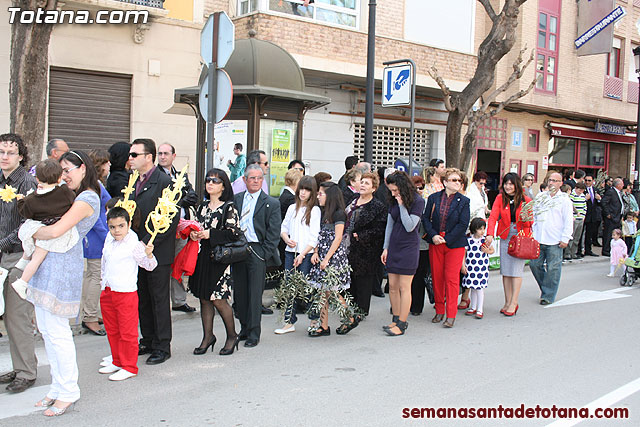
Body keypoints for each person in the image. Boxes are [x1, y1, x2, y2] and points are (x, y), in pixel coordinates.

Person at [27, 149, 100, 416]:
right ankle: (57, 387)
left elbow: (57, 230)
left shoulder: (88, 197)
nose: (64, 175)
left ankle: (69, 390)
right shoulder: (66, 195)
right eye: (62, 170)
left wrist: (32, 231)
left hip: (63, 267)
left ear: (83, 169)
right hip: (46, 264)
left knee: (58, 333)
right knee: (47, 331)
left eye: (69, 169)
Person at [128, 138, 178, 365]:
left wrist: (148, 243)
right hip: (136, 250)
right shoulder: (134, 181)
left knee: (158, 299)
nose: (131, 159)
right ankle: (147, 339)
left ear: (149, 157)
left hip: (156, 251)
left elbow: (170, 218)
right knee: (143, 298)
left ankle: (162, 345)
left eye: (135, 155)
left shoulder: (164, 182)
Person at [99, 207, 157, 381]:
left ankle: (129, 366)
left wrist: (149, 254)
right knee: (112, 329)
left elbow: (150, 266)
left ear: (128, 224)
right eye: (113, 227)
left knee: (127, 332)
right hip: (108, 290)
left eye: (121, 226)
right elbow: (104, 263)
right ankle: (117, 360)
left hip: (125, 292)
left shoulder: (134, 244)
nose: (117, 230)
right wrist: (103, 283)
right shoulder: (109, 240)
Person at [0, 133, 38, 394]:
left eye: (10, 152)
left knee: (17, 315)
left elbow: (29, 224)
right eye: (1, 152)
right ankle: (18, 365)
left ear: (21, 155)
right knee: (6, 316)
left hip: (17, 255)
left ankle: (27, 372)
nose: (5, 157)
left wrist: (2, 243)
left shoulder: (27, 182)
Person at [189, 169, 241, 355]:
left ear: (223, 186)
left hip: (220, 258)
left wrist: (210, 234)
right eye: (208, 180)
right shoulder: (201, 206)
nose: (210, 183)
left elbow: (233, 233)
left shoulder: (229, 207)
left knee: (218, 299)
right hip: (202, 256)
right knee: (204, 298)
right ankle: (208, 337)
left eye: (215, 181)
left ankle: (232, 335)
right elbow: (194, 226)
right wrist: (194, 233)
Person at [11, 160, 78, 299]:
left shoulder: (32, 198)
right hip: (54, 228)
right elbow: (73, 201)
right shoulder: (65, 192)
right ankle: (22, 282)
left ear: (37, 178)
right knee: (37, 259)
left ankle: (23, 264)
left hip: (40, 227)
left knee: (34, 256)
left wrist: (20, 201)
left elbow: (26, 212)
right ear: (60, 178)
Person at [232, 165, 281, 347]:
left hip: (257, 250)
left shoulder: (271, 203)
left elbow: (274, 232)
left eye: (259, 178)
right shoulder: (236, 200)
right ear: (245, 180)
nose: (255, 181)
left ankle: (254, 332)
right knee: (240, 293)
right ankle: (243, 329)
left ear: (262, 180)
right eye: (251, 178)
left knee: (254, 294)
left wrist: (264, 254)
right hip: (238, 250)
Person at [308, 182, 357, 336]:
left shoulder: (339, 213)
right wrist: (316, 252)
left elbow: (337, 238)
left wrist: (326, 259)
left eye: (321, 193)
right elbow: (319, 235)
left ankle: (349, 318)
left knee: (332, 291)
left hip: (333, 258)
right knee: (324, 292)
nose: (318, 196)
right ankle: (324, 326)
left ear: (329, 196)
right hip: (323, 255)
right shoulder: (324, 213)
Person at [422, 168, 470, 328]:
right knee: (437, 277)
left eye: (459, 181)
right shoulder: (434, 198)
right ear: (445, 182)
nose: (458, 183)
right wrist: (434, 235)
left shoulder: (464, 201)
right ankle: (439, 310)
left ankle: (451, 314)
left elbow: (463, 224)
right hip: (435, 241)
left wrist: (446, 239)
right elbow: (426, 218)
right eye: (454, 180)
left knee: (451, 279)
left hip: (454, 244)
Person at [381, 171, 425, 335]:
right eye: (391, 191)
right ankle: (395, 319)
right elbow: (389, 225)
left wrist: (401, 205)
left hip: (408, 247)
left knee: (404, 287)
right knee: (392, 286)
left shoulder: (418, 201)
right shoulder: (393, 199)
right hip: (394, 245)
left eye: (395, 190)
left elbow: (410, 226)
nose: (393, 194)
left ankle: (402, 323)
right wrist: (385, 247)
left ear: (403, 187)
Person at [276, 176, 320, 334]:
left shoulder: (314, 210)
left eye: (307, 190)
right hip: (290, 253)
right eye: (301, 188)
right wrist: (286, 239)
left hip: (305, 255)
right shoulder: (292, 207)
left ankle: (315, 320)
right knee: (289, 287)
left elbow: (314, 237)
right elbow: (283, 227)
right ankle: (289, 322)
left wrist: (302, 254)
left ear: (312, 192)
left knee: (306, 288)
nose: (303, 192)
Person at [157, 143, 198, 313]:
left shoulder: (181, 175)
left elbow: (192, 196)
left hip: (181, 228)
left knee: (179, 264)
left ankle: (179, 300)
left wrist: (178, 200)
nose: (162, 156)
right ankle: (161, 301)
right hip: (162, 228)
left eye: (166, 153)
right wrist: (180, 198)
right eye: (160, 153)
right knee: (163, 265)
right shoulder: (156, 176)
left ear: (174, 156)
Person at [485, 172, 532, 316]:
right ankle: (507, 301)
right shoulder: (500, 198)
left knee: (516, 271)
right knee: (506, 271)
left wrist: (525, 218)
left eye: (511, 184)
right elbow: (493, 217)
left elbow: (530, 223)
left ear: (516, 185)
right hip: (505, 235)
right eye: (506, 183)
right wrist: (490, 234)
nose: (508, 186)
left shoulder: (526, 200)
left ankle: (514, 302)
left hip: (520, 236)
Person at [529, 171, 574, 305]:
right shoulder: (541, 196)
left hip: (555, 240)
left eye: (555, 181)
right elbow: (534, 215)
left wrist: (565, 238)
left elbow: (568, 220)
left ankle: (548, 295)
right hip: (539, 237)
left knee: (553, 268)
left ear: (561, 183)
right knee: (534, 264)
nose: (552, 183)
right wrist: (533, 232)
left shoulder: (564, 200)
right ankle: (547, 287)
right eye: (550, 180)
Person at [345, 172, 386, 317]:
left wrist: (360, 236)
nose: (362, 185)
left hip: (365, 249)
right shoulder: (353, 199)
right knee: (349, 279)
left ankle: (361, 311)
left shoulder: (377, 206)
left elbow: (379, 229)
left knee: (363, 281)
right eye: (361, 182)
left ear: (374, 188)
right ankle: (348, 307)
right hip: (347, 246)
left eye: (366, 183)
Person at [81, 151, 112, 336]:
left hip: (93, 237)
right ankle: (90, 317)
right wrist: (107, 236)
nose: (109, 167)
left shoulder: (93, 185)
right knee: (95, 277)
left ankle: (90, 312)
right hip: (98, 237)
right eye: (107, 163)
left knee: (91, 276)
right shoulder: (95, 186)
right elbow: (96, 217)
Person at [462, 218, 494, 319]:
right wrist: (463, 265)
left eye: (484, 229)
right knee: (472, 288)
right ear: (474, 229)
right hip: (471, 267)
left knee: (479, 289)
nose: (482, 231)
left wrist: (487, 251)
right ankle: (473, 307)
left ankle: (480, 309)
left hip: (481, 268)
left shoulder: (485, 240)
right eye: (480, 229)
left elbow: (492, 250)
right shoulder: (469, 240)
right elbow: (464, 254)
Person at [601, 178, 625, 257]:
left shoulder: (618, 193)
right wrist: (608, 214)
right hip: (611, 217)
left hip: (617, 216)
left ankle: (612, 249)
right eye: (622, 184)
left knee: (615, 234)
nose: (623, 186)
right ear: (618, 185)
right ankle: (606, 250)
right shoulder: (611, 192)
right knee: (608, 233)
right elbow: (604, 202)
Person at [566, 182, 587, 261]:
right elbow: (570, 206)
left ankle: (573, 253)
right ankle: (567, 253)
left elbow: (585, 206)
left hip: (580, 218)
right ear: (576, 188)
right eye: (579, 190)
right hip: (574, 218)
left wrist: (583, 215)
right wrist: (572, 216)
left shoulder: (582, 196)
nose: (580, 192)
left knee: (577, 237)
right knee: (571, 236)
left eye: (582, 190)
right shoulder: (572, 195)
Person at [583, 174, 602, 255]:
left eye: (589, 180)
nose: (587, 182)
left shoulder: (595, 190)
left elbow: (599, 204)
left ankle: (588, 250)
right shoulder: (583, 190)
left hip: (592, 215)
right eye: (586, 180)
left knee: (589, 234)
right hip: (584, 214)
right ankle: (579, 251)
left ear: (593, 181)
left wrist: (599, 199)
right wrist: (585, 199)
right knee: (581, 234)